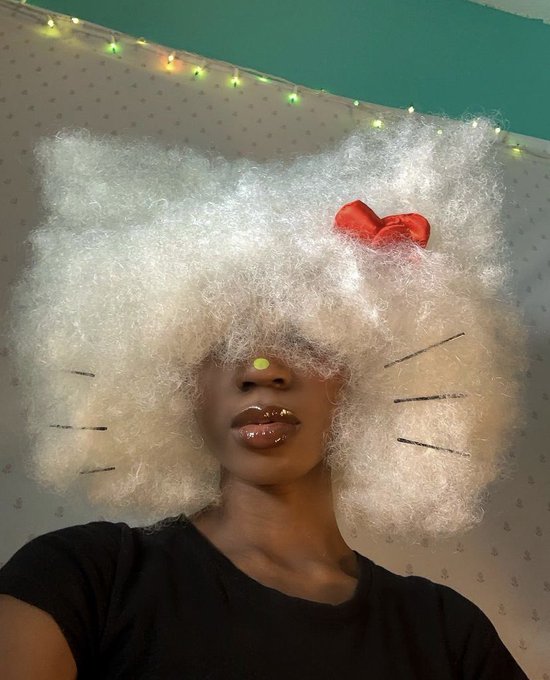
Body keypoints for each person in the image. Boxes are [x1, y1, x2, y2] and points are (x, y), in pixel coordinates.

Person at [0, 115, 529, 679]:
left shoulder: (448, 635)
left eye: (305, 337)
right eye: (223, 341)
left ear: (363, 379)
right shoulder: (84, 578)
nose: (262, 369)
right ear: (173, 385)